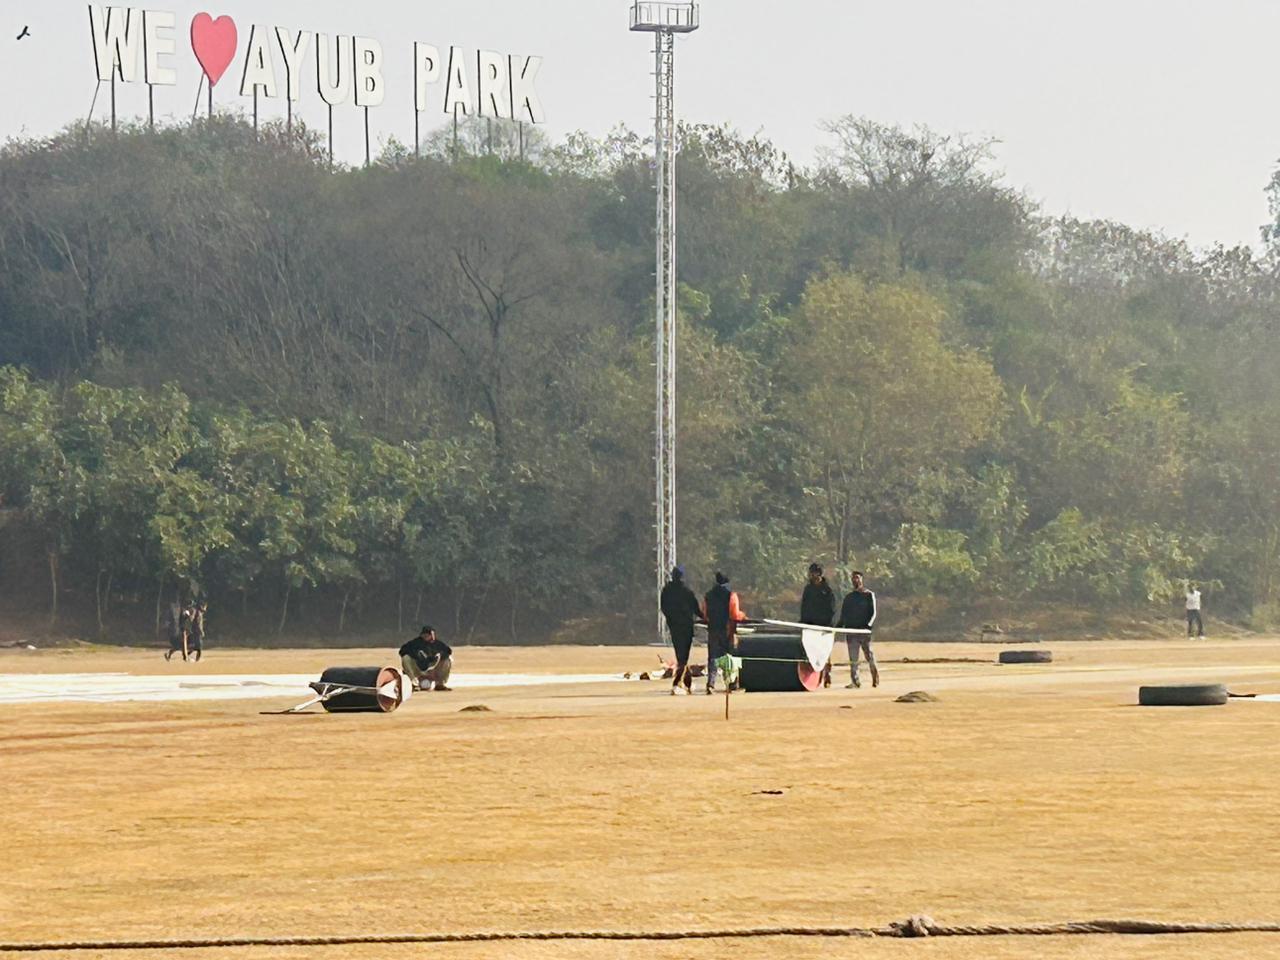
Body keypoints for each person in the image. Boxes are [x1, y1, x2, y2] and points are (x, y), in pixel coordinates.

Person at [702, 572, 747, 695]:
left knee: (713, 658)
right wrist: (743, 616)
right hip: (727, 630)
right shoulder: (731, 595)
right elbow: (735, 614)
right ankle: (731, 684)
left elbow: (705, 615)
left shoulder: (708, 595)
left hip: (713, 630)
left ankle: (710, 685)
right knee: (729, 657)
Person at [661, 565, 701, 695]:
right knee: (684, 656)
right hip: (686, 627)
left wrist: (670, 619)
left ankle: (687, 682)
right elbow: (696, 609)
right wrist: (706, 618)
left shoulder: (666, 591)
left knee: (680, 655)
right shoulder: (687, 592)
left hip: (674, 626)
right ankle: (677, 683)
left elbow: (664, 608)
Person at [837, 571, 878, 689]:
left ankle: (875, 678)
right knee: (853, 658)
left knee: (869, 656)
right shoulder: (849, 597)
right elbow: (844, 615)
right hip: (851, 632)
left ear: (862, 579)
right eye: (853, 578)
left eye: (857, 578)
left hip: (864, 632)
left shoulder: (869, 595)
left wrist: (868, 625)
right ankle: (855, 681)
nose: (855, 580)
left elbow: (873, 613)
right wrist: (837, 627)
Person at [800, 562, 836, 687]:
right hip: (810, 627)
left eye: (813, 572)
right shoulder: (808, 589)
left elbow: (831, 609)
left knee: (825, 652)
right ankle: (816, 678)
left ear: (818, 574)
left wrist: (826, 624)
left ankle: (827, 675)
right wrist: (804, 622)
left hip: (825, 627)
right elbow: (804, 607)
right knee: (812, 652)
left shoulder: (827, 590)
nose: (811, 575)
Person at [399, 625, 453, 691]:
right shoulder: (415, 643)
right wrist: (416, 655)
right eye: (427, 635)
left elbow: (448, 651)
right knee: (406, 658)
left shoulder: (438, 644)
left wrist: (438, 656)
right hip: (419, 670)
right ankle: (414, 684)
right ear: (422, 635)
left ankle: (440, 684)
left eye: (431, 634)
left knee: (448, 659)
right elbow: (402, 651)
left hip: (433, 671)